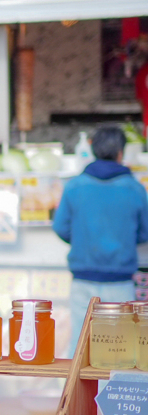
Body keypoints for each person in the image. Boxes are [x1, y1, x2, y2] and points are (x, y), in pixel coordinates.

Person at [53, 125, 148, 356]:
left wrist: (83, 239)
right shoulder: (135, 188)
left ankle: (76, 393)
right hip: (120, 281)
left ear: (93, 149)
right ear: (121, 153)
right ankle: (110, 393)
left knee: (80, 344)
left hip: (83, 278)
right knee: (119, 349)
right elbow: (145, 232)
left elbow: (60, 227)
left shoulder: (75, 186)